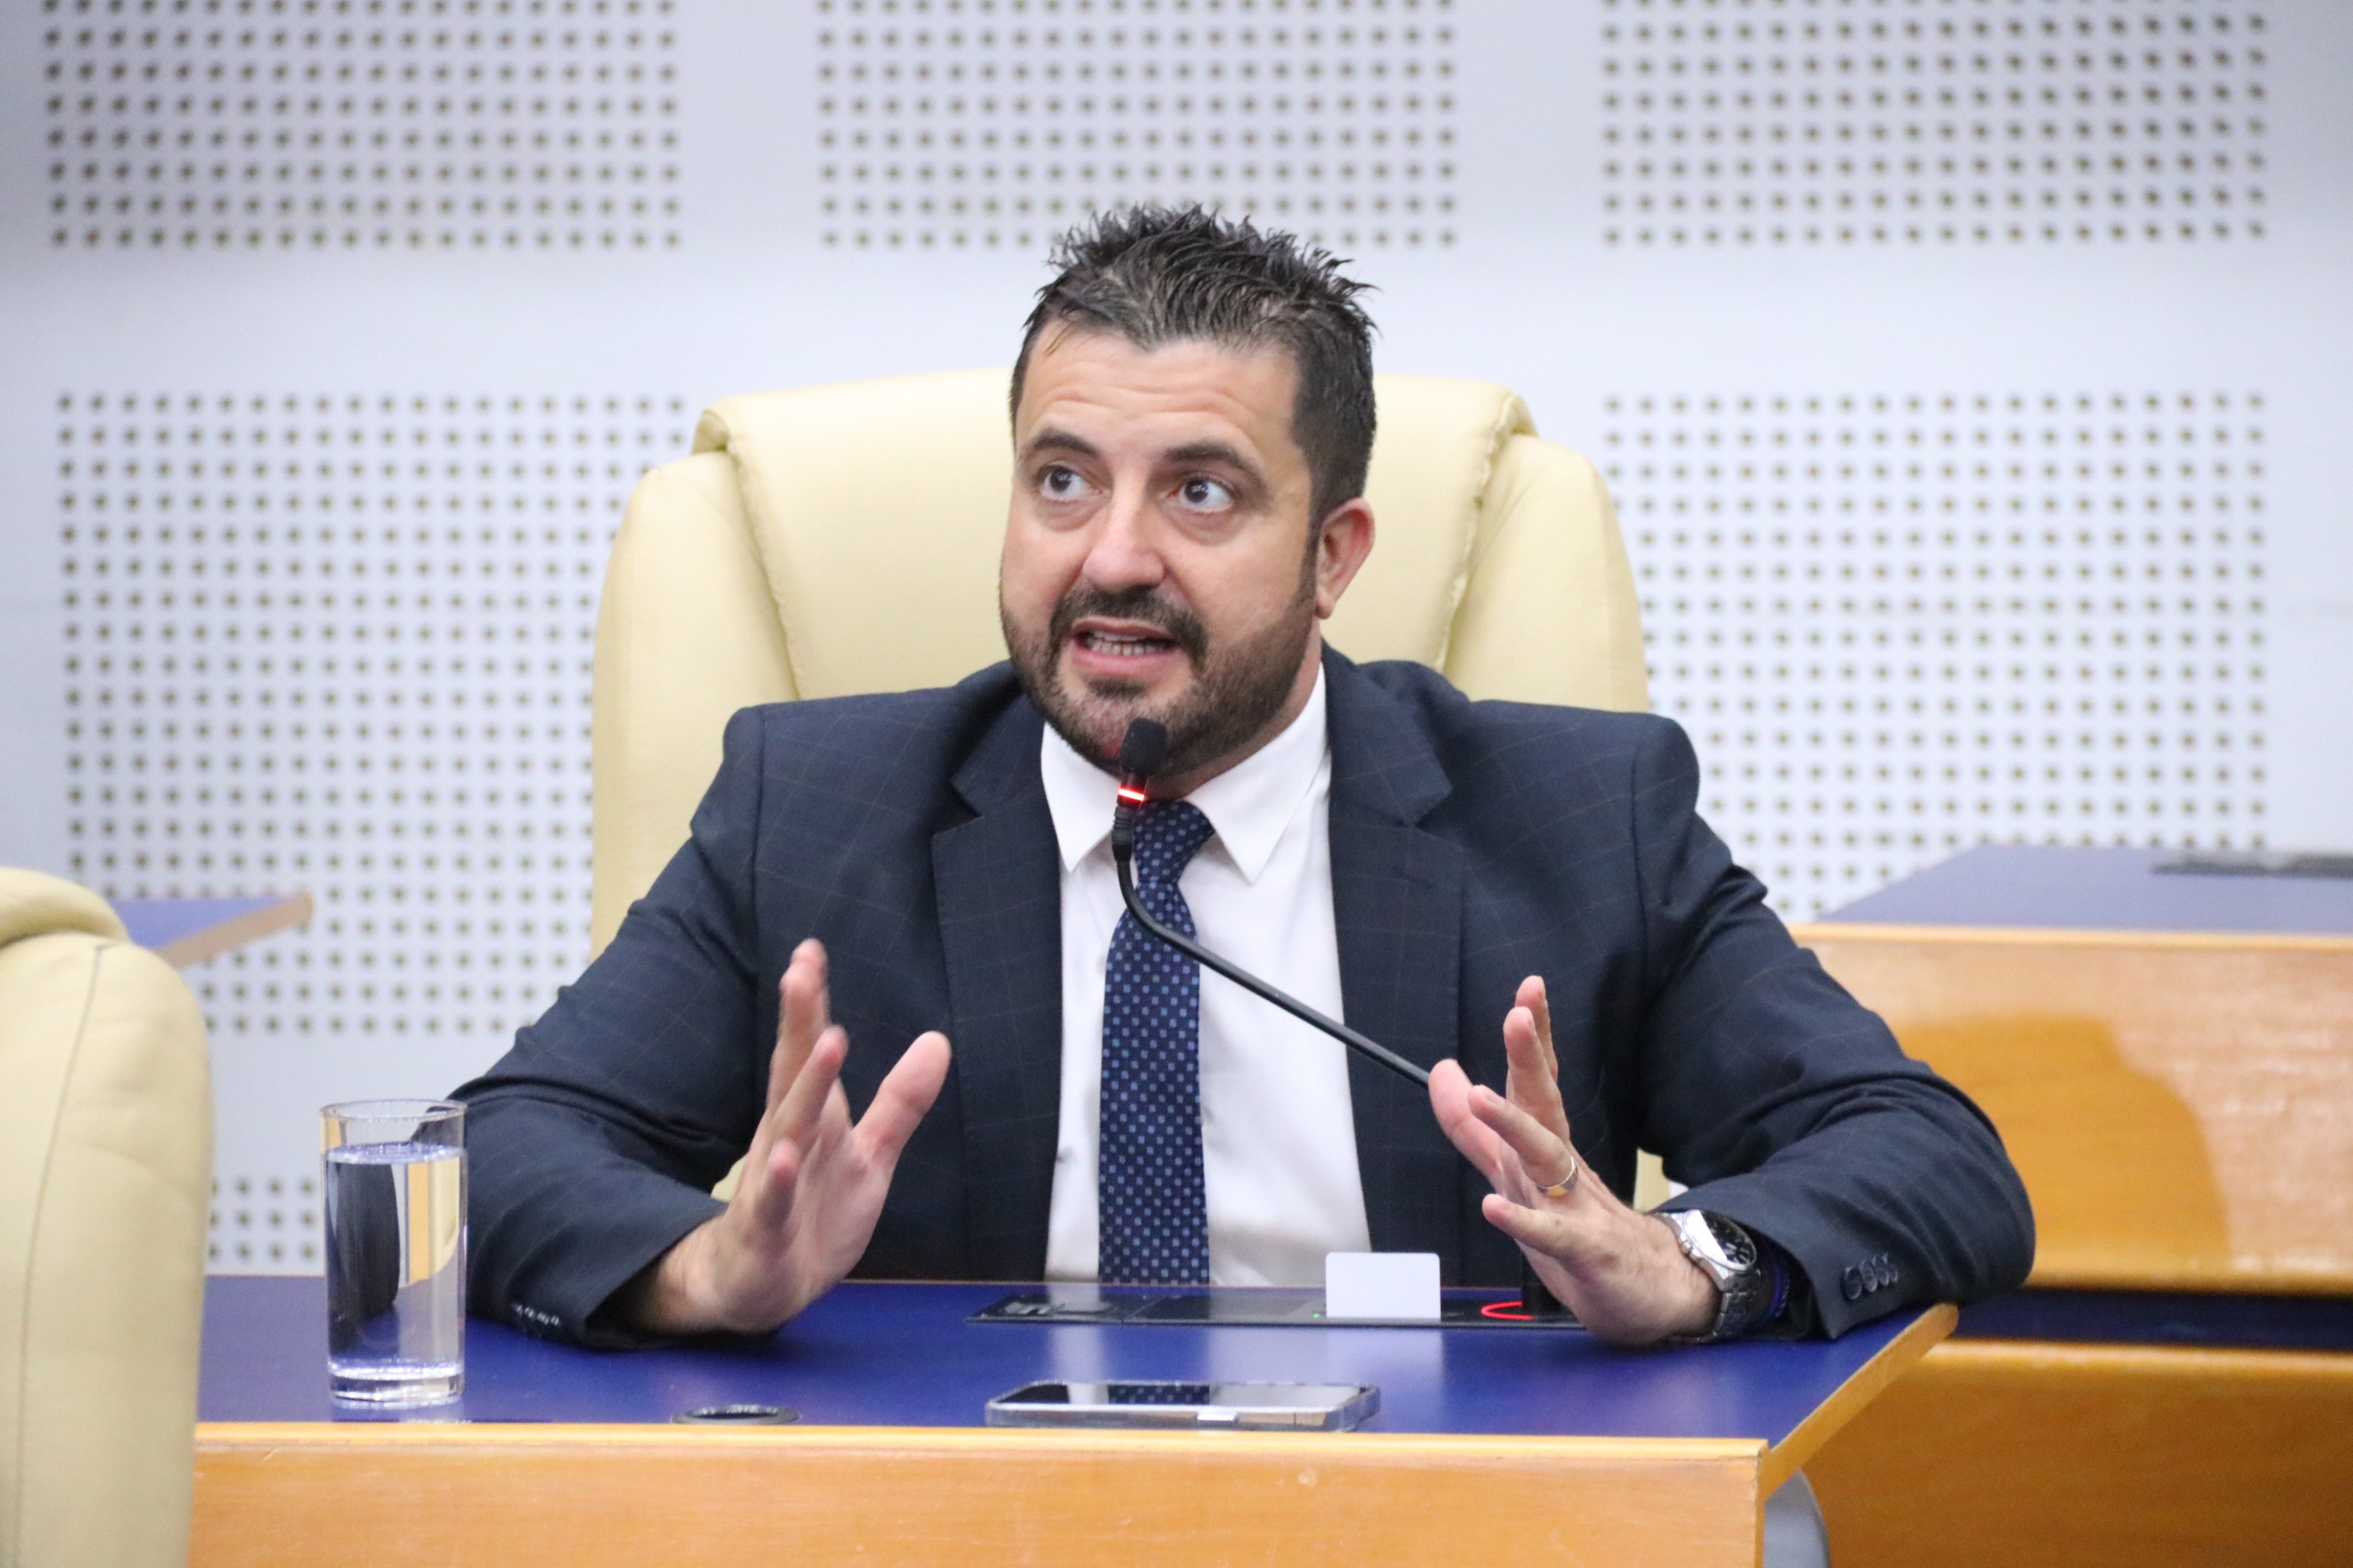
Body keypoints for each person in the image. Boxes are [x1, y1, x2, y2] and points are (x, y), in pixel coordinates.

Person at [456, 207, 2032, 1359]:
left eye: (1200, 493)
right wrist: (704, 1272)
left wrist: (1685, 1268)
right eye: (1061, 481)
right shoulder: (815, 812)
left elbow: (1931, 1159)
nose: (1112, 557)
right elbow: (501, 1155)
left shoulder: (1575, 819)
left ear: (1334, 556)